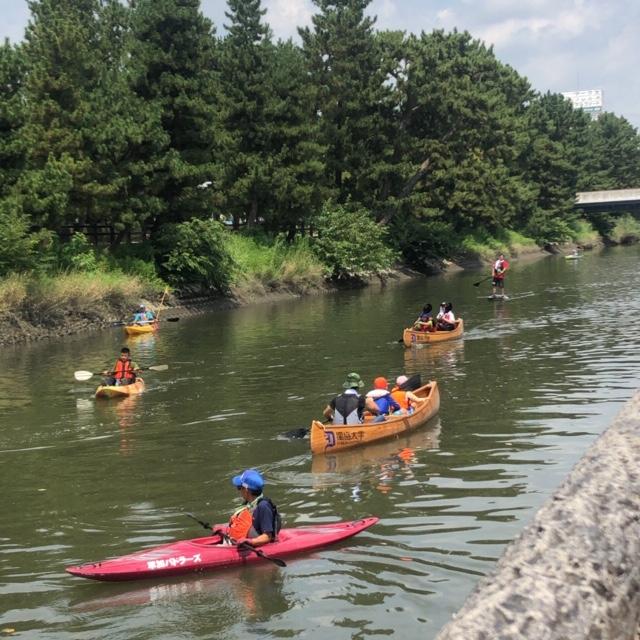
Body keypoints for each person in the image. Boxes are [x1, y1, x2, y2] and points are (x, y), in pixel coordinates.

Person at [226, 469, 280, 547]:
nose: (239, 491)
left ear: (246, 490)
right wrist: (226, 530)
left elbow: (267, 536)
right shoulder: (248, 503)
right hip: (238, 541)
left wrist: (250, 542)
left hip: (253, 543)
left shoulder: (263, 506)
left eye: (239, 487)